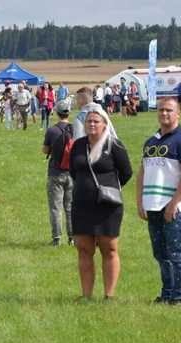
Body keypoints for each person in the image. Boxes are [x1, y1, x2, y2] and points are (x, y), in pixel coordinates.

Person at [136, 98, 181, 306]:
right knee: (160, 253)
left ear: (178, 113)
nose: (164, 114)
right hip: (152, 205)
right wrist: (140, 201)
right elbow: (142, 172)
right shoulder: (151, 142)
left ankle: (179, 296)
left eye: (169, 110)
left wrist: (174, 204)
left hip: (173, 207)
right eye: (161, 110)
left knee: (175, 252)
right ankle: (166, 293)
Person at [69, 104, 132, 300]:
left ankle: (109, 295)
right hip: (81, 206)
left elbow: (127, 172)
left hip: (108, 207)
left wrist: (108, 188)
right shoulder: (78, 146)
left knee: (109, 249)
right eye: (89, 121)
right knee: (84, 250)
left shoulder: (114, 145)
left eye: (96, 121)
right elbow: (73, 171)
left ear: (105, 124)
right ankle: (86, 296)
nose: (92, 124)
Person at [42, 100, 74, 246]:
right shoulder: (75, 129)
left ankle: (56, 238)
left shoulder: (52, 130)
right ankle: (72, 238)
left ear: (56, 112)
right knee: (70, 207)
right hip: (72, 173)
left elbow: (45, 150)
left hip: (55, 172)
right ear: (69, 112)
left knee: (56, 207)